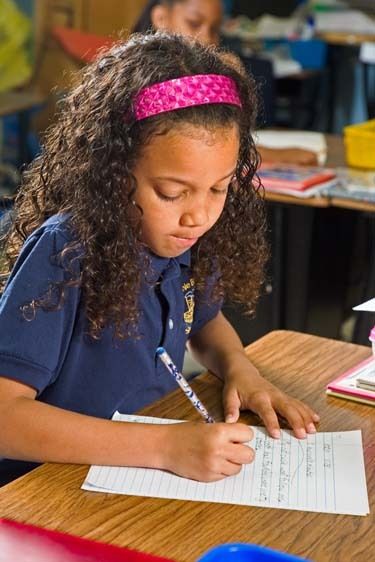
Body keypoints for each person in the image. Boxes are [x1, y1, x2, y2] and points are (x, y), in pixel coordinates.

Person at [0, 32, 319, 487]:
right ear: (111, 173)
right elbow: (5, 421)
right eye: (171, 193)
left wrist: (240, 369)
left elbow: (202, 320)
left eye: (220, 188)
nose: (199, 214)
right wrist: (166, 448)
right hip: (45, 488)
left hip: (135, 478)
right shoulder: (65, 251)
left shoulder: (180, 237)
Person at [132, 0, 318, 166]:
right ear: (161, 17)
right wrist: (276, 155)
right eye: (194, 24)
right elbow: (193, 145)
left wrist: (235, 83)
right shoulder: (147, 78)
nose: (206, 39)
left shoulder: (204, 76)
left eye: (214, 30)